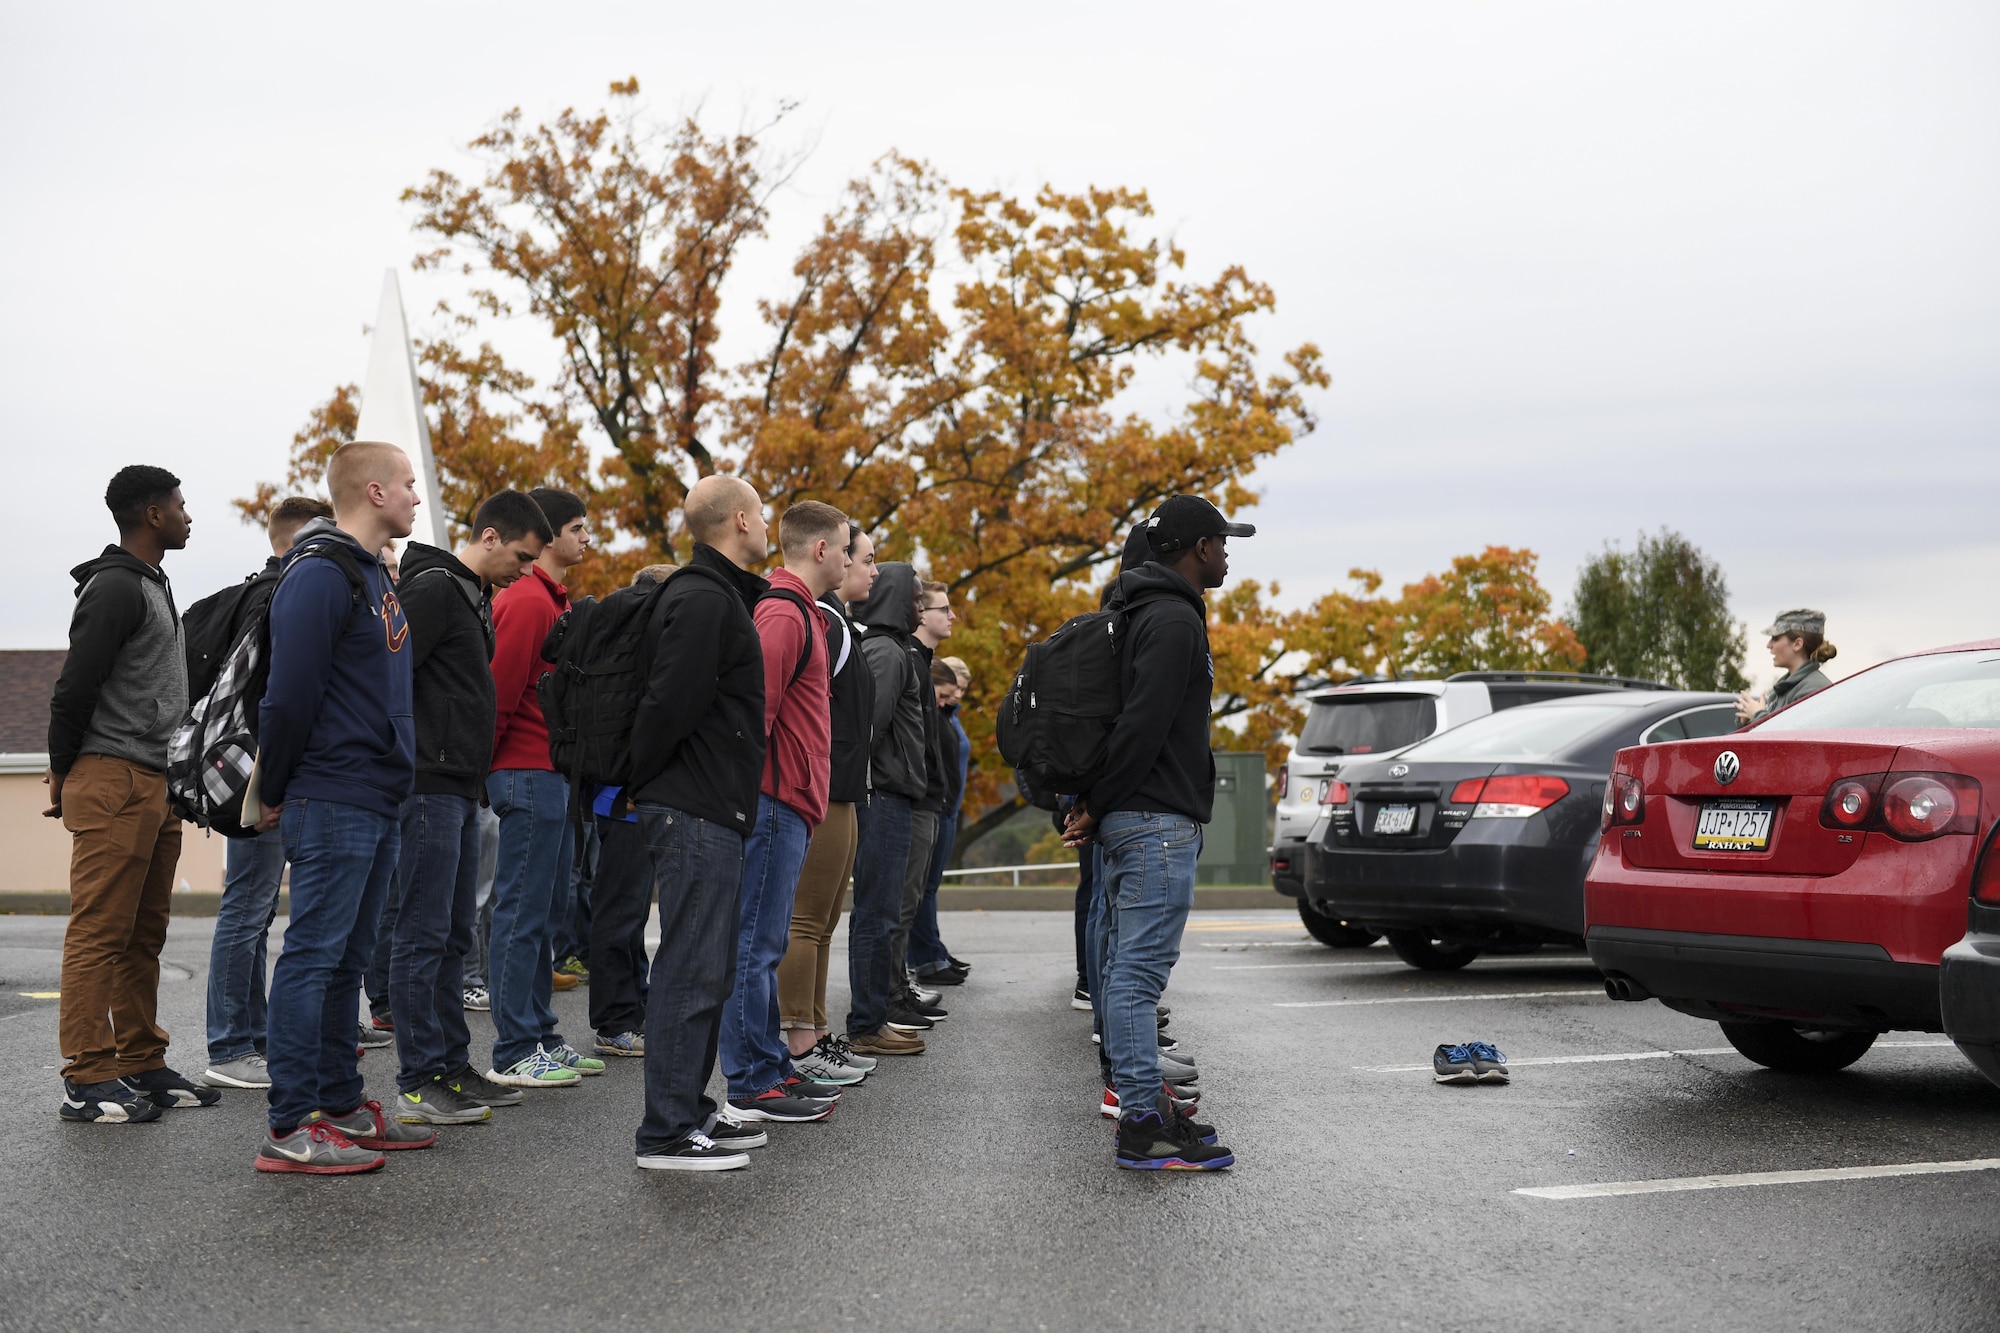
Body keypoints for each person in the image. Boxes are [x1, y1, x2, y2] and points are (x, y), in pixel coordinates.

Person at [254, 440, 429, 1174]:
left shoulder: (371, 575)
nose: (418, 498)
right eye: (411, 486)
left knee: (350, 959)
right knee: (315, 957)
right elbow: (288, 695)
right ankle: (292, 1123)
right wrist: (273, 785)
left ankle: (342, 1104)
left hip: (376, 793)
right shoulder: (320, 574)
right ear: (376, 489)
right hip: (331, 792)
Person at [1064, 495, 1252, 1171]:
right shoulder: (1172, 620)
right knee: (1137, 976)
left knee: (1123, 970)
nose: (1228, 553)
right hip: (1153, 823)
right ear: (1196, 548)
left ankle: (1151, 1106)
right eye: (1221, 542)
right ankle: (1142, 1120)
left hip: (1132, 818)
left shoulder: (1137, 612)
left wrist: (1095, 803)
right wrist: (1100, 802)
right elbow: (1142, 727)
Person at [378, 492, 552, 1125]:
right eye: (521, 556)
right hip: (426, 783)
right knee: (422, 934)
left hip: (454, 785)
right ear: (487, 536)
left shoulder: (467, 594)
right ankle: (419, 1078)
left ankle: (450, 1065)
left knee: (452, 934)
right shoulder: (432, 589)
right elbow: (387, 676)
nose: (525, 570)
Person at [47, 465, 206, 1124]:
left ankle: (140, 1059)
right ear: (151, 515)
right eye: (179, 504)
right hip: (113, 774)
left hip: (154, 780)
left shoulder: (153, 583)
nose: (188, 514)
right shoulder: (114, 587)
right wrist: (64, 771)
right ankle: (87, 1074)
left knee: (143, 935)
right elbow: (73, 687)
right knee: (100, 932)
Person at [629, 475, 777, 1170]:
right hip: (692, 806)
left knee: (705, 967)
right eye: (764, 513)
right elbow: (668, 704)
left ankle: (689, 1110)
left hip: (706, 802)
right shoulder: (701, 598)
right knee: (690, 967)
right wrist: (643, 782)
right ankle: (665, 1131)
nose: (768, 522)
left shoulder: (717, 594)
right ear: (740, 519)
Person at [721, 499, 852, 1122]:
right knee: (756, 944)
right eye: (847, 547)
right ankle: (752, 1080)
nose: (852, 559)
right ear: (820, 549)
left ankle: (770, 1065)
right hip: (773, 801)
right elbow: (756, 714)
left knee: (765, 942)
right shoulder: (782, 613)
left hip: (788, 800)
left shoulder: (799, 613)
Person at [200, 495, 334, 1090]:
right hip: (259, 771)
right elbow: (270, 695)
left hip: (257, 769)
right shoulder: (280, 591)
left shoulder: (270, 588)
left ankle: (249, 1040)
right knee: (248, 907)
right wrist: (273, 777)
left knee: (253, 910)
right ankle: (231, 1045)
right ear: (296, 537)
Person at [484, 487, 602, 1088]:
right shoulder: (528, 602)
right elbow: (500, 693)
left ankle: (541, 1035)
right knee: (522, 914)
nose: (587, 538)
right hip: (524, 770)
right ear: (548, 535)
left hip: (548, 772)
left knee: (545, 913)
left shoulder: (554, 601)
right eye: (578, 528)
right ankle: (513, 1048)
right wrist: (490, 768)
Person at [779, 525, 879, 1084]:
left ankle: (814, 1032)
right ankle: (798, 1040)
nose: (865, 566)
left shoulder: (836, 623)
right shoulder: (819, 620)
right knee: (806, 919)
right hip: (821, 787)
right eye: (858, 554)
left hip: (837, 786)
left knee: (823, 922)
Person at [587, 562, 680, 1060]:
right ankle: (615, 1020)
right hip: (626, 797)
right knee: (620, 913)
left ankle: (632, 1009)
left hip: (618, 794)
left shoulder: (620, 637)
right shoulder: (642, 646)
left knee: (626, 913)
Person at [844, 562, 930, 1058]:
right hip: (883, 799)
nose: (919, 606)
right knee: (876, 914)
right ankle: (867, 1022)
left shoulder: (887, 649)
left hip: (893, 795)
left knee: (882, 913)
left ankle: (872, 1017)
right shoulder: (886, 652)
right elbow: (868, 729)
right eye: (914, 597)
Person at [909, 655, 971, 985]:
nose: (956, 698)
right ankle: (926, 956)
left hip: (946, 806)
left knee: (927, 888)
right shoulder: (936, 716)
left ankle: (932, 949)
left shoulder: (948, 716)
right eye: (951, 691)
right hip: (937, 805)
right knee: (922, 889)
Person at [1736, 609, 1837, 724]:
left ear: (1797, 644)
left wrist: (1758, 716)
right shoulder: (1787, 687)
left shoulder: (1813, 689)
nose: (1769, 645)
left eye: (1775, 638)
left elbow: (1794, 738)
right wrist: (1748, 721)